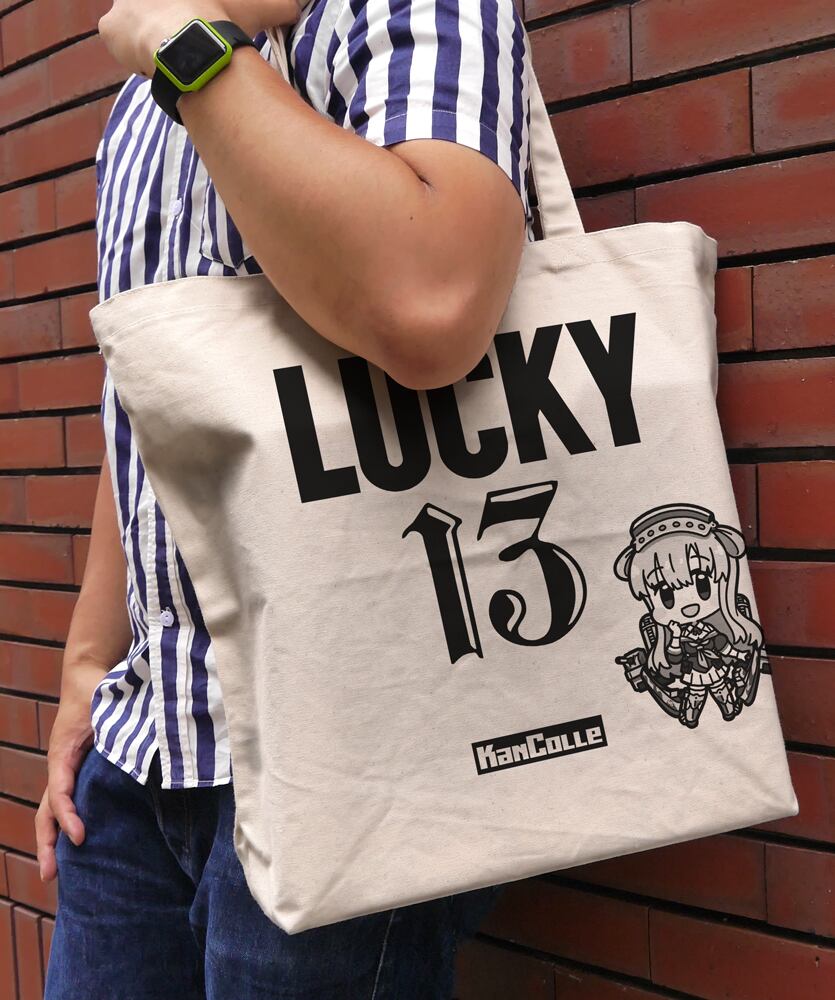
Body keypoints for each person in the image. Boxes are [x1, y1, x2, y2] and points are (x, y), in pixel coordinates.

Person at [38, 0, 535, 996]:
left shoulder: (377, 14)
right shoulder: (136, 106)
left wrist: (190, 51)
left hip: (342, 761)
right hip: (138, 755)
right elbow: (151, 402)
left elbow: (433, 298)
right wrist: (86, 667)